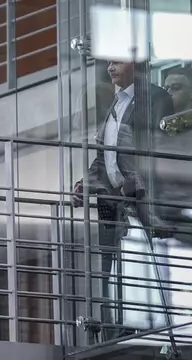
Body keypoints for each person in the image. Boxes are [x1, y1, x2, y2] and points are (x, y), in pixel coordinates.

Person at [72, 60, 174, 339]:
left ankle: (153, 332)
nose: (109, 67)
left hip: (140, 202)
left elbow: (157, 152)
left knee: (145, 271)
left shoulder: (155, 98)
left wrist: (132, 187)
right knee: (113, 274)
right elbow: (105, 158)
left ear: (134, 63)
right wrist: (85, 185)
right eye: (108, 62)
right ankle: (117, 334)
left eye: (116, 61)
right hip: (114, 205)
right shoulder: (116, 104)